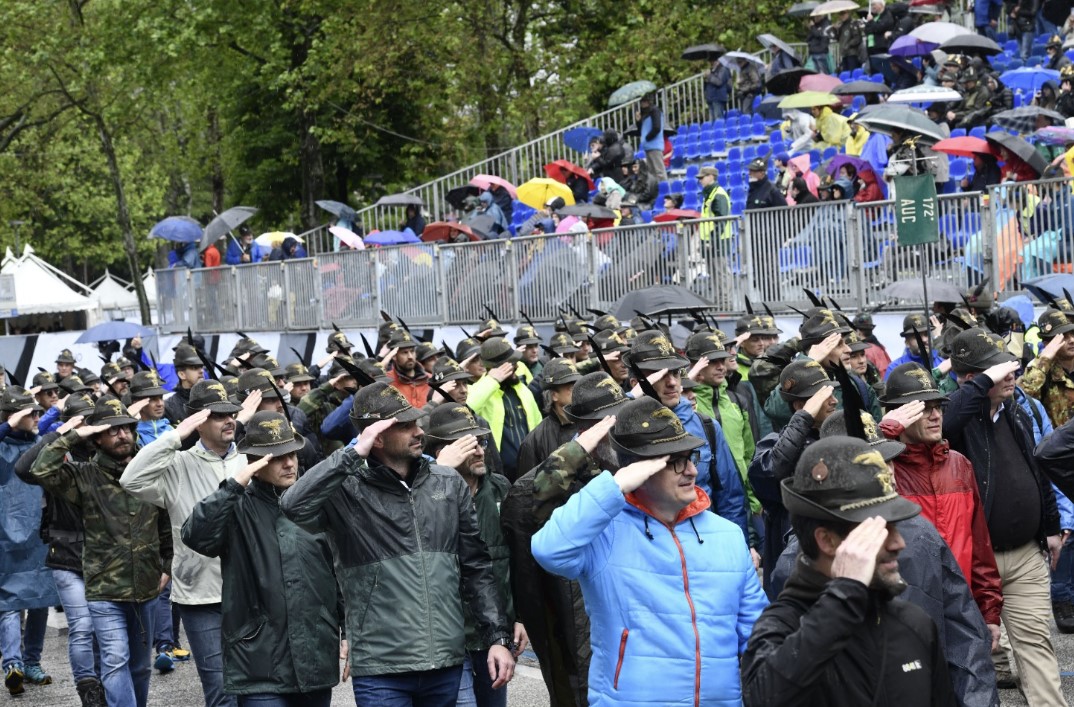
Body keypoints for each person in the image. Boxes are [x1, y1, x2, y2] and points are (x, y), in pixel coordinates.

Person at [280, 382, 515, 705]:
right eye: (404, 426)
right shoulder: (345, 489)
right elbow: (292, 506)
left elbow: (477, 568)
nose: (419, 432)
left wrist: (497, 637)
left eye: (417, 423)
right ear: (376, 438)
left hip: (444, 660)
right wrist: (351, 453)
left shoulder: (447, 483)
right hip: (381, 668)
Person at [532, 395, 768, 705]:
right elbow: (549, 549)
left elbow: (758, 629)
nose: (692, 472)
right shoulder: (604, 531)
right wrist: (613, 485)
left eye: (691, 458)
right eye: (675, 461)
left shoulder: (727, 534)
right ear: (639, 470)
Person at [741, 437, 958, 706]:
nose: (899, 543)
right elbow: (764, 697)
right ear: (828, 541)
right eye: (878, 530)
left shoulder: (915, 624)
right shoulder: (782, 627)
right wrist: (845, 593)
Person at [182, 411, 341, 707]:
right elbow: (196, 536)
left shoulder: (316, 502)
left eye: (292, 454)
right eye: (276, 457)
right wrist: (234, 484)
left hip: (315, 655)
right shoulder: (237, 505)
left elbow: (336, 570)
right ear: (255, 461)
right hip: (258, 661)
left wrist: (344, 631)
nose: (289, 463)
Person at [943, 328, 1066, 703]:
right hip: (978, 561)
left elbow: (1036, 470)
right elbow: (947, 422)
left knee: (1037, 647)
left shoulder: (1015, 411)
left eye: (1009, 367)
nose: (1009, 374)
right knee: (975, 655)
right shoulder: (954, 420)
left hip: (1026, 554)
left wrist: (1050, 528)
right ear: (971, 379)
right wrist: (982, 382)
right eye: (996, 370)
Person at [121, 379, 256, 706]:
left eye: (232, 414)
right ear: (196, 421)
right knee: (220, 691)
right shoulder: (176, 466)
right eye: (217, 415)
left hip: (250, 591)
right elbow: (130, 480)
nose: (229, 420)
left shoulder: (250, 461)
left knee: (254, 689)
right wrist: (175, 436)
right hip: (200, 597)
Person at [30, 396, 172, 707]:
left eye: (126, 429)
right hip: (104, 588)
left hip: (146, 586)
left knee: (140, 666)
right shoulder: (82, 476)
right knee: (115, 659)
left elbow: (164, 521)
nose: (123, 435)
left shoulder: (148, 469)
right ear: (97, 438)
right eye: (113, 430)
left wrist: (167, 565)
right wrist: (73, 434)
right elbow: (40, 469)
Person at [879, 364, 1004, 650]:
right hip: (904, 612)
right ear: (899, 415)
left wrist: (989, 611)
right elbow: (851, 467)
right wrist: (884, 434)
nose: (936, 416)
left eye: (939, 407)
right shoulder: (883, 469)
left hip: (961, 610)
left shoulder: (959, 464)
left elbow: (980, 547)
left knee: (973, 693)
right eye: (924, 409)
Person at [423, 405, 526, 707]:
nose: (480, 451)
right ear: (444, 451)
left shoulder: (500, 489)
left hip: (494, 634)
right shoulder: (422, 495)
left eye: (481, 443)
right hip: (449, 639)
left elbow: (518, 559)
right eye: (469, 446)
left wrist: (520, 618)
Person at [0, 387, 56, 695]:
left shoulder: (38, 444)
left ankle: (31, 663)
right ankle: (13, 663)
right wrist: (8, 425)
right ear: (12, 416)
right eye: (30, 413)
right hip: (5, 538)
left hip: (39, 534)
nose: (37, 417)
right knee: (8, 602)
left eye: (37, 412)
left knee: (40, 599)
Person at [468, 338, 542, 481]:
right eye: (511, 363)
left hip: (530, 470)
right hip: (498, 474)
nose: (517, 366)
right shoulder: (481, 389)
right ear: (497, 368)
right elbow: (468, 407)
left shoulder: (522, 390)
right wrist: (492, 381)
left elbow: (539, 426)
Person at [516, 359, 582, 479]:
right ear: (554, 395)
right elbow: (526, 488)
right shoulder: (534, 441)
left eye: (577, 384)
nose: (577, 390)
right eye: (571, 387)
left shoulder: (592, 424)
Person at [885, 313, 943, 379]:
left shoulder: (943, 363)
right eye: (916, 336)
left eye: (926, 334)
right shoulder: (894, 368)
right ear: (907, 342)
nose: (924, 340)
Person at [164, 343, 206, 426]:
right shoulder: (169, 407)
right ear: (182, 375)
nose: (201, 371)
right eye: (194, 367)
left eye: (201, 367)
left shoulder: (212, 398)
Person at [634, 93, 667, 182]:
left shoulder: (655, 111)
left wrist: (647, 138)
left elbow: (657, 128)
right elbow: (641, 130)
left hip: (654, 145)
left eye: (643, 101)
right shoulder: (645, 114)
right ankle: (655, 192)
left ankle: (665, 191)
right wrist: (638, 121)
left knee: (659, 172)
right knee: (652, 173)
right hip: (648, 146)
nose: (642, 104)